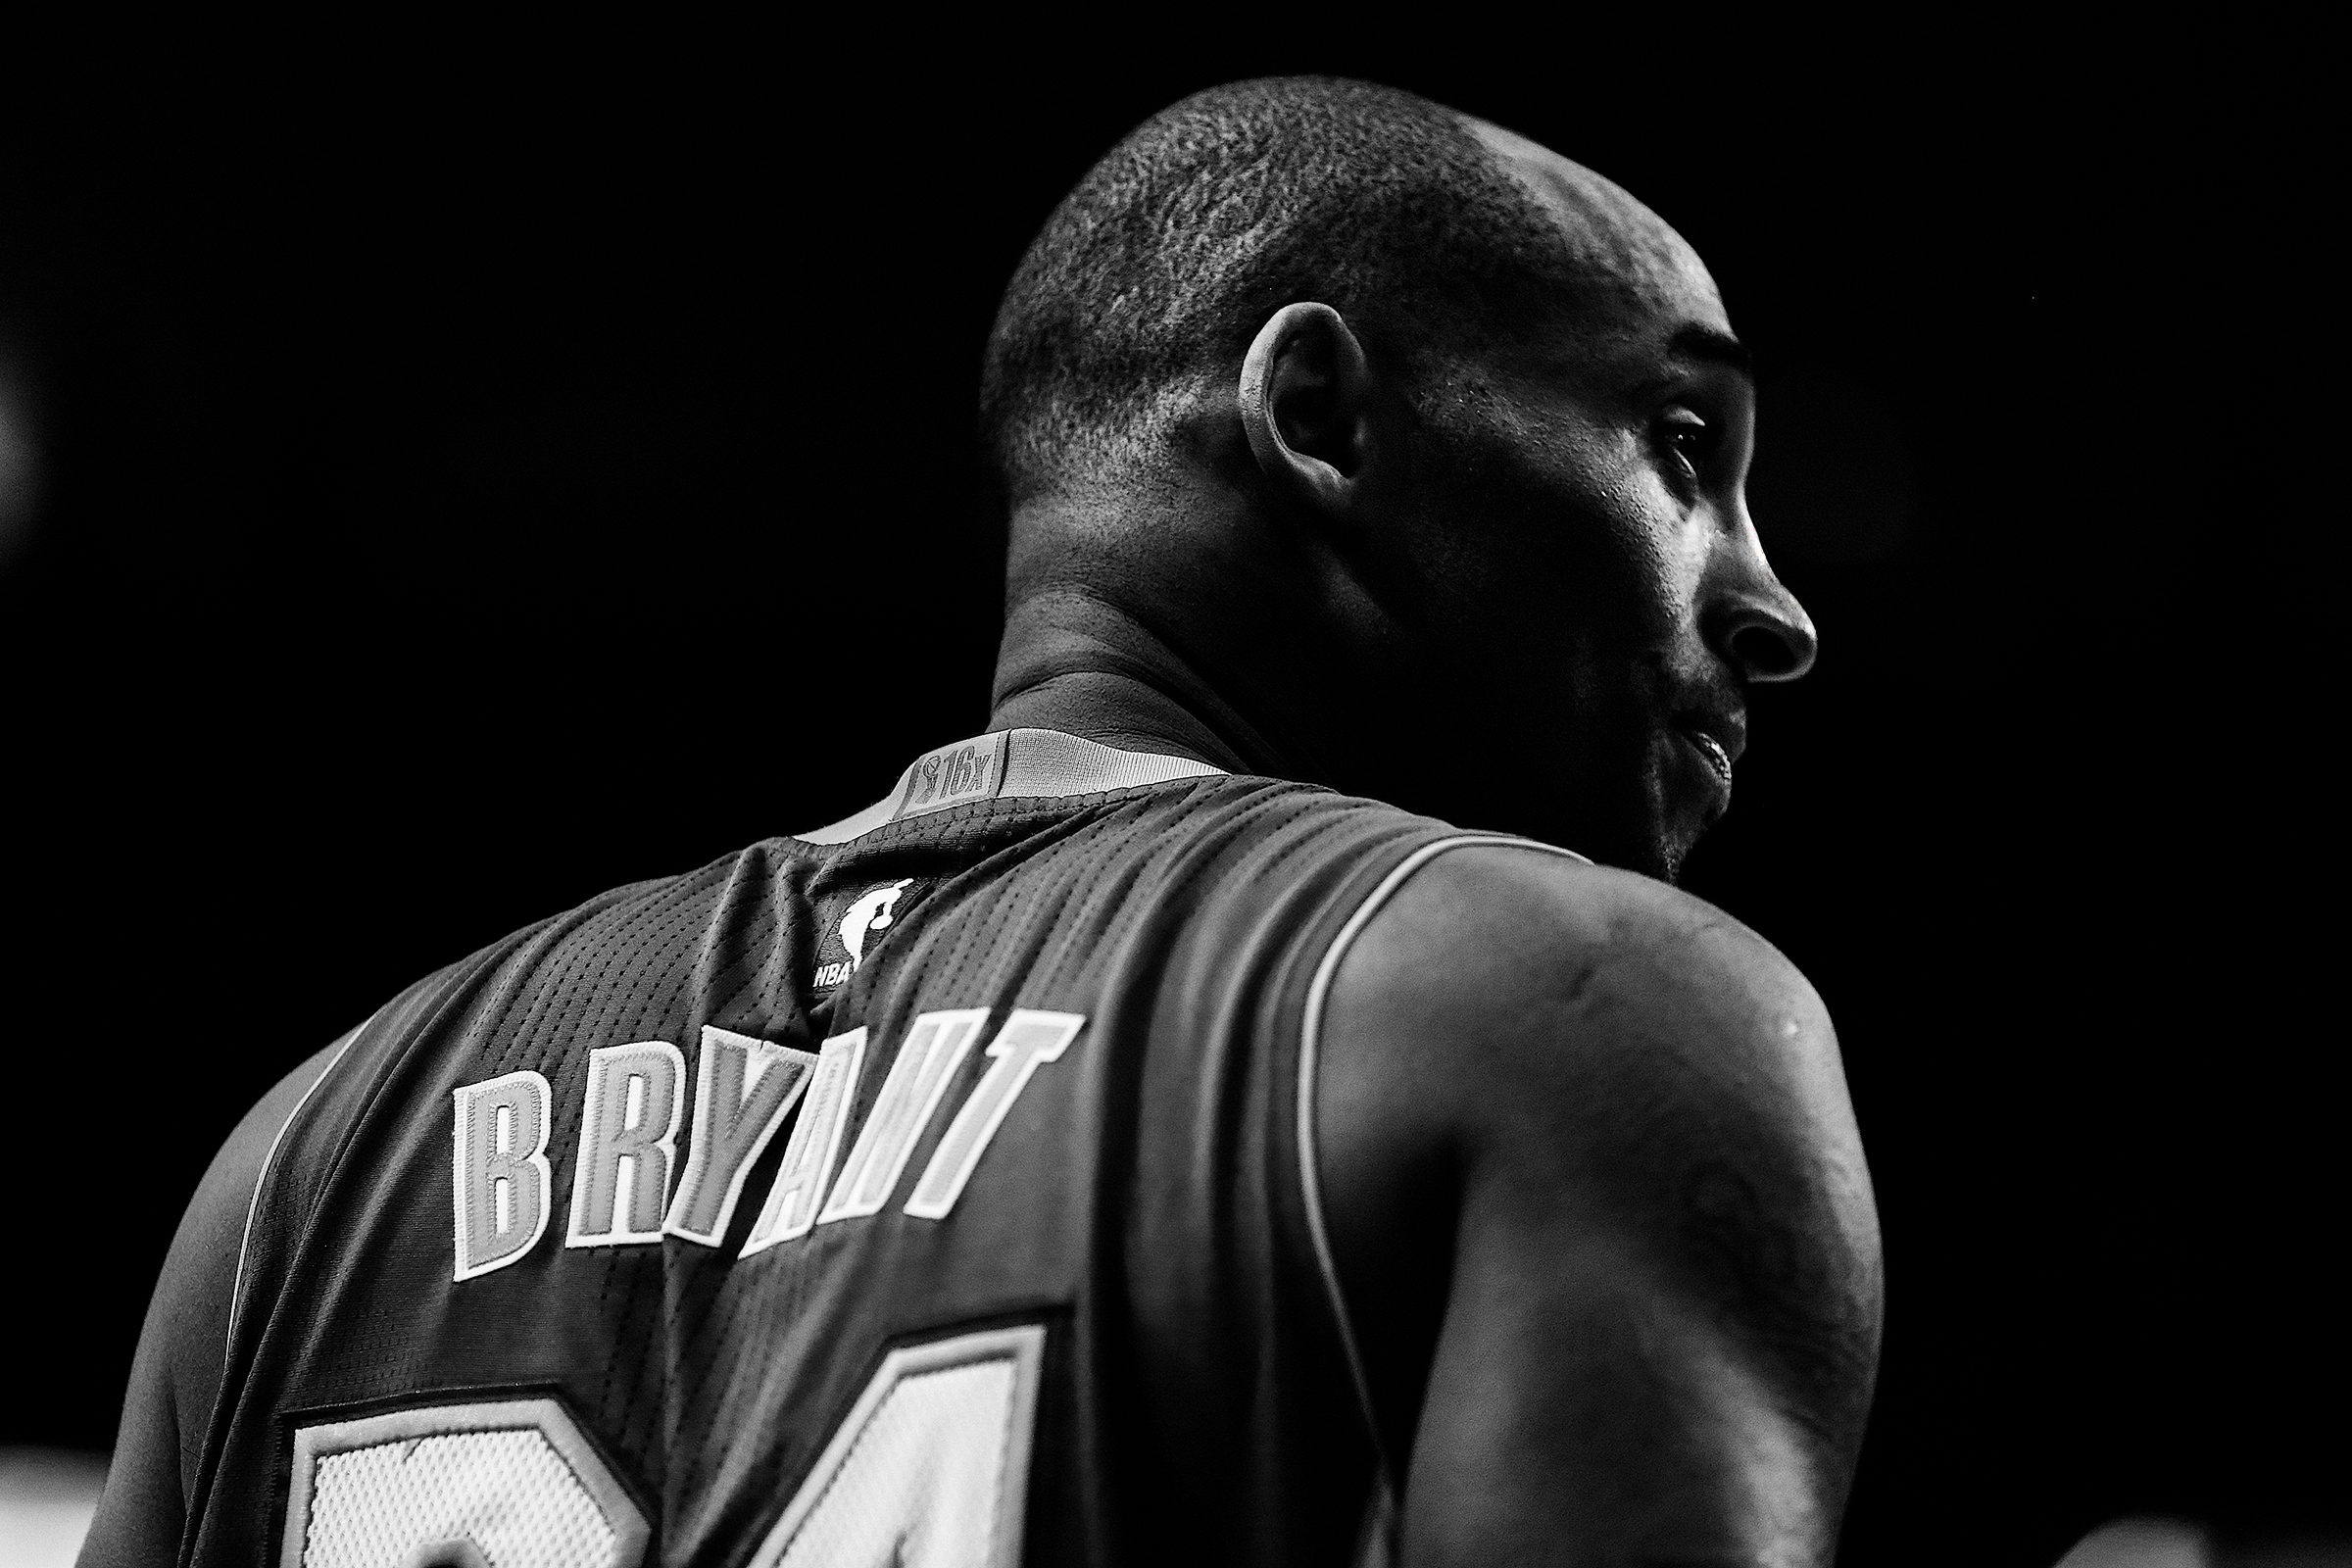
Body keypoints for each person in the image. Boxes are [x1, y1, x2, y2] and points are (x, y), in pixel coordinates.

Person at [81, 75, 1882, 1568]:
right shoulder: (1577, 1018)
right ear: (1319, 415)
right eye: (1679, 443)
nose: (1774, 608)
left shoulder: (304, 1165)